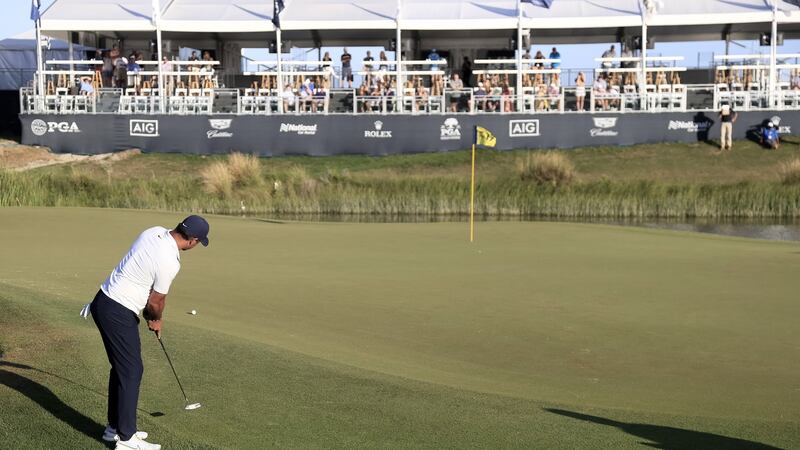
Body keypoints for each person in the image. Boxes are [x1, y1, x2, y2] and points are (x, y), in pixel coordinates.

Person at [84, 215, 209, 450]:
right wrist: (156, 320)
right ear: (192, 240)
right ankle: (127, 440)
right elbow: (156, 301)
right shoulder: (171, 261)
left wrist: (150, 315)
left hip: (104, 300)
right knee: (132, 371)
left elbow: (144, 273)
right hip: (118, 310)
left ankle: (114, 428)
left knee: (123, 369)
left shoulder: (154, 231)